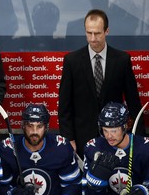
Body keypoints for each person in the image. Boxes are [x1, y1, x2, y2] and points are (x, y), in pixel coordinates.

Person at [58, 9, 145, 159]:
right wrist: (68, 139)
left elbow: (133, 102)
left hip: (116, 137)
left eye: (97, 33)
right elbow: (64, 106)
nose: (93, 38)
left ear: (107, 31)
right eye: (89, 33)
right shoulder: (72, 61)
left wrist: (139, 138)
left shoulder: (122, 60)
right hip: (82, 138)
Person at [0, 103, 82, 195]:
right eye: (30, 126)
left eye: (39, 126)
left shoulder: (61, 147)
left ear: (46, 127)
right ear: (23, 126)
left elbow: (72, 184)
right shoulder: (7, 148)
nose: (34, 132)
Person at [82, 102, 149, 195]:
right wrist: (96, 183)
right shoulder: (93, 147)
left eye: (113, 131)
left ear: (125, 126)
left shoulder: (145, 148)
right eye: (105, 130)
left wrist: (143, 194)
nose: (109, 136)